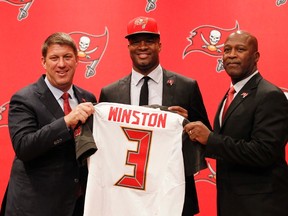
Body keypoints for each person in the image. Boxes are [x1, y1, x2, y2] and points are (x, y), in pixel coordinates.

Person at [99, 16, 211, 216]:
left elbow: (207, 139)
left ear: (159, 45)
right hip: (126, 193)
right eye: (135, 42)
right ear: (128, 47)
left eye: (149, 41)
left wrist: (189, 126)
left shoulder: (187, 87)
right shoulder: (110, 93)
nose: (142, 47)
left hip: (173, 189)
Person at [184, 30, 288, 216]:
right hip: (232, 204)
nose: (231, 55)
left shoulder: (270, 95)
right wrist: (184, 122)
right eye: (227, 50)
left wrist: (210, 139)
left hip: (261, 207)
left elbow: (264, 152)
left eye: (240, 49)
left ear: (256, 56)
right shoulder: (232, 94)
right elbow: (226, 139)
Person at [2, 32, 96, 216]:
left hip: (76, 205)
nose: (61, 64)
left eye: (67, 57)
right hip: (34, 206)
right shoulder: (24, 99)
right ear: (44, 62)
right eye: (54, 58)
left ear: (77, 60)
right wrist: (66, 122)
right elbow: (24, 147)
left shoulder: (88, 98)